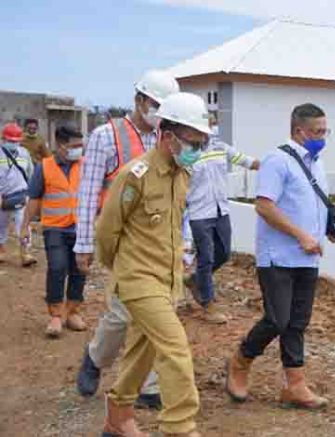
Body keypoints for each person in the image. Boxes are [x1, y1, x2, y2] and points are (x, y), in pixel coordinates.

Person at [96, 92, 209, 437]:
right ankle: (179, 427)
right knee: (175, 350)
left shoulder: (182, 173)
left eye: (202, 143)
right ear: (168, 135)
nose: (198, 149)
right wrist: (122, 275)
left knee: (143, 351)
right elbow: (107, 231)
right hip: (138, 279)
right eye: (193, 142)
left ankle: (118, 415)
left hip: (167, 279)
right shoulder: (136, 175)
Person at [225, 103, 335, 409]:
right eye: (317, 132)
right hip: (278, 256)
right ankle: (240, 361)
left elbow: (310, 204)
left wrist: (327, 228)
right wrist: (301, 235)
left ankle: (295, 386)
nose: (322, 138)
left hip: (308, 256)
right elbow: (264, 206)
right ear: (299, 131)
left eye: (325, 131)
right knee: (277, 320)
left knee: (297, 323)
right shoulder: (277, 161)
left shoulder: (316, 163)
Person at [75, 70, 179, 409]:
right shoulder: (106, 136)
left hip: (161, 241)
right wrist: (84, 244)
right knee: (122, 314)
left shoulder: (170, 139)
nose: (159, 112)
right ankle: (96, 357)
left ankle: (148, 385)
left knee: (157, 310)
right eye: (155, 104)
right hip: (123, 241)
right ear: (139, 99)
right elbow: (88, 192)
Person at [184, 128, 259, 324]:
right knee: (206, 258)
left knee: (224, 253)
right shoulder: (186, 153)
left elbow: (247, 161)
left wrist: (274, 165)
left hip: (220, 210)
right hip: (198, 213)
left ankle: (196, 280)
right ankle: (207, 304)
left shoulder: (220, 147)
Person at [21, 122, 86, 337]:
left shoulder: (85, 165)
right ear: (60, 145)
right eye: (75, 146)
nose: (79, 149)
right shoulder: (45, 167)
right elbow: (34, 198)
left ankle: (73, 311)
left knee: (79, 269)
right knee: (57, 268)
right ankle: (56, 315)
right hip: (54, 227)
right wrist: (25, 226)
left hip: (81, 227)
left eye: (81, 145)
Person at [0, 122, 36, 266]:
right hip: (2, 196)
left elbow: (30, 173)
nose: (13, 143)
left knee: (23, 225)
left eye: (15, 141)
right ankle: (1, 251)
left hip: (21, 195)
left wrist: (30, 192)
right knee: (1, 225)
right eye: (10, 141)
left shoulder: (24, 153)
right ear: (3, 139)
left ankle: (25, 253)